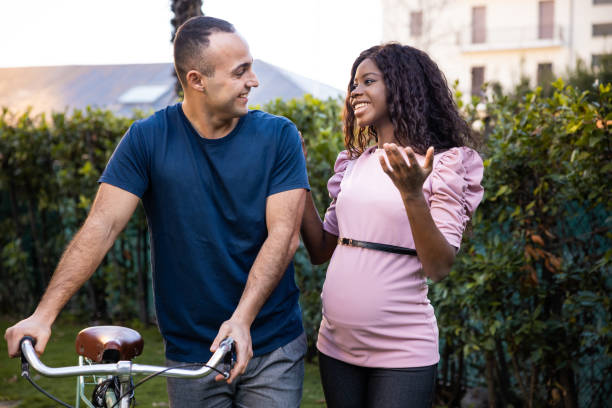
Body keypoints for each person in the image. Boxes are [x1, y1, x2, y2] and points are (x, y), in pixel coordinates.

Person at [5, 16, 309, 407]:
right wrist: (43, 315)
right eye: (241, 71)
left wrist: (242, 320)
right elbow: (102, 224)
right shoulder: (146, 140)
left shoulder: (278, 136)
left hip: (272, 344)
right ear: (197, 80)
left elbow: (284, 237)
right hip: (190, 352)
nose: (254, 80)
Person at [300, 43, 484, 407]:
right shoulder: (354, 164)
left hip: (403, 347)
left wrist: (412, 193)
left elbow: (439, 265)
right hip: (335, 343)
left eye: (368, 81)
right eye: (353, 84)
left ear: (401, 87)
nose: (355, 92)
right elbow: (321, 249)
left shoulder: (441, 165)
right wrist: (296, 177)